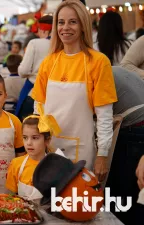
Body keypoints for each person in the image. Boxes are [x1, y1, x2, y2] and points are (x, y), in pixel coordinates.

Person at [32, 0, 117, 179]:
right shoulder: (48, 62)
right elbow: (38, 109)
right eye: (61, 22)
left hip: (83, 148)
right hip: (50, 148)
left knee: (79, 202)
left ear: (83, 25)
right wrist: (37, 144)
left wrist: (103, 154)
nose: (65, 28)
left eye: (73, 22)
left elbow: (104, 114)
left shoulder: (99, 62)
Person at [105, 67, 144, 225]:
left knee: (120, 192)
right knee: (134, 189)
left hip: (134, 128)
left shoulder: (97, 74)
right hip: (138, 126)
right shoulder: (114, 69)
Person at [5, 104, 60, 200]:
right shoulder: (16, 164)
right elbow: (11, 196)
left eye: (35, 138)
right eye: (25, 138)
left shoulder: (56, 166)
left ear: (47, 140)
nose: (29, 143)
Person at [16, 15, 53, 119]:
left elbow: (23, 71)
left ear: (44, 31)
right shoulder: (62, 45)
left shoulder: (34, 43)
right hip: (54, 92)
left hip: (34, 91)